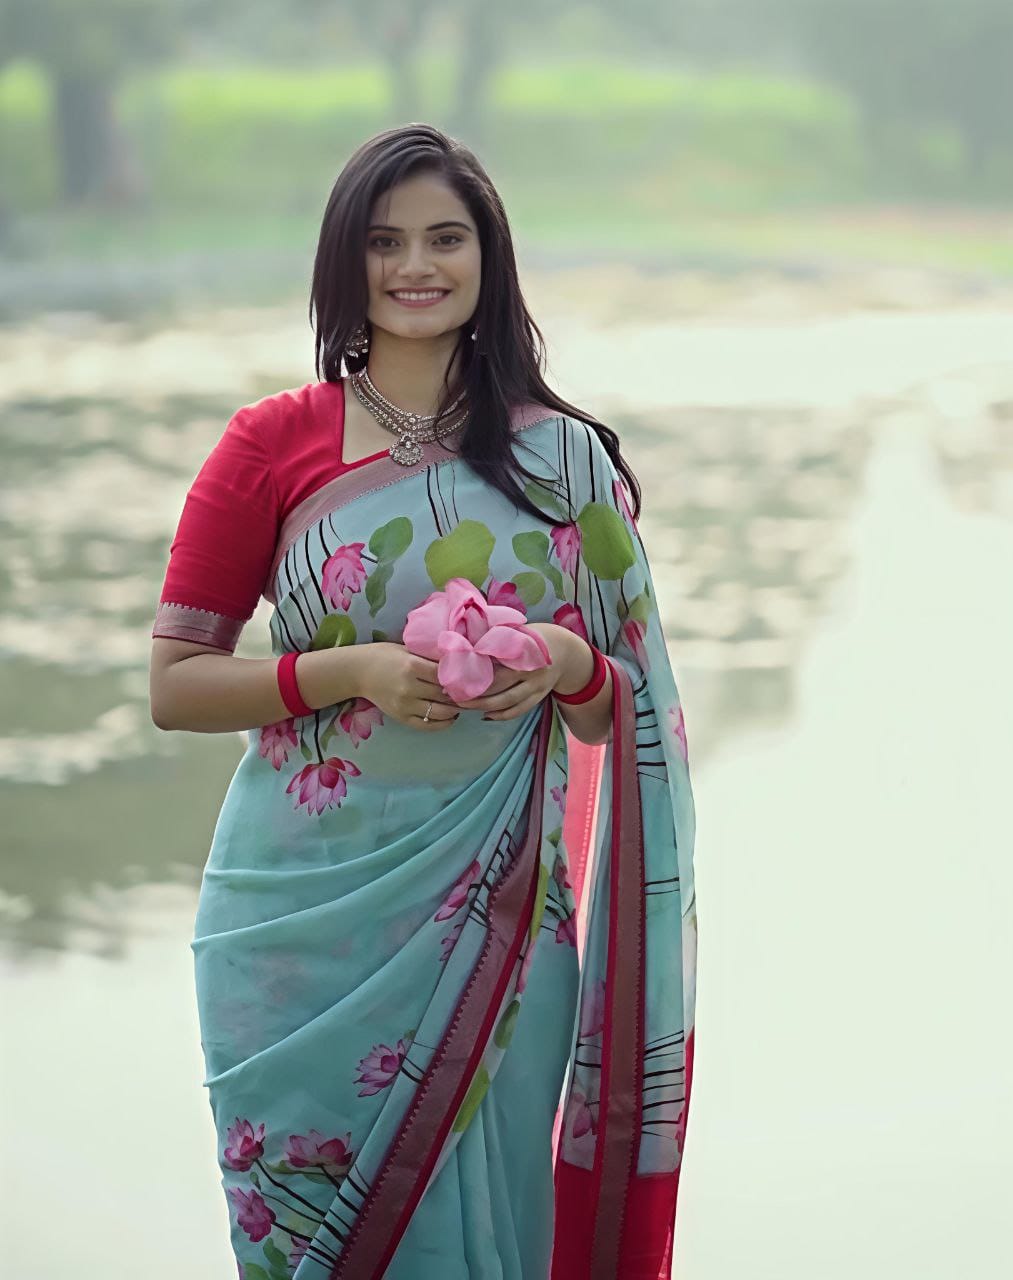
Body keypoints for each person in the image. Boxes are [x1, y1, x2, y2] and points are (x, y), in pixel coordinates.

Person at [149, 122, 698, 1280]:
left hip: (501, 923)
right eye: (384, 240)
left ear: (488, 260)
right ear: (343, 261)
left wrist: (563, 662)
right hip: (295, 932)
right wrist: (345, 673)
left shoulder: (568, 464)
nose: (416, 265)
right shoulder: (267, 447)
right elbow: (175, 686)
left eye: (446, 238)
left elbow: (624, 706)